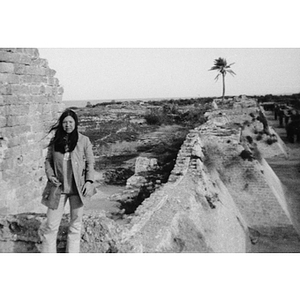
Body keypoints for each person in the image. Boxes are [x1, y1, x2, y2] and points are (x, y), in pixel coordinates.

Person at [40, 109, 96, 253]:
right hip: (58, 188)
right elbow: (48, 160)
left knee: (75, 226)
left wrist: (89, 181)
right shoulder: (55, 141)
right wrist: (50, 175)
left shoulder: (84, 141)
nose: (68, 125)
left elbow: (90, 162)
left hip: (78, 189)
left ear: (75, 123)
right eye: (65, 122)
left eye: (70, 122)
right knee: (51, 226)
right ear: (61, 124)